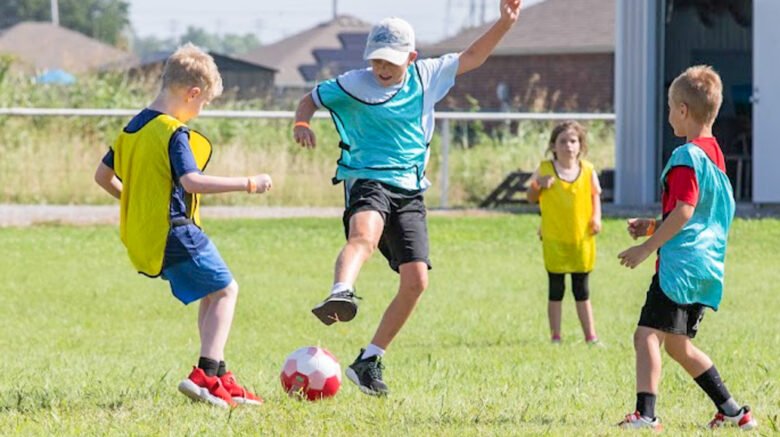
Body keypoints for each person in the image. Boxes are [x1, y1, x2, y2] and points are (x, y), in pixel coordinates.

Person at [292, 0, 523, 396]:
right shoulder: (353, 83)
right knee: (363, 235)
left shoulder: (427, 75)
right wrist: (301, 122)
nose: (382, 69)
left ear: (411, 57)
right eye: (377, 61)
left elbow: (474, 55)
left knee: (416, 281)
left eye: (391, 63)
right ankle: (341, 291)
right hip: (366, 178)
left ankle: (369, 359)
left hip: (410, 189)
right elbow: (310, 99)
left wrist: (504, 23)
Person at [94, 43, 272, 409]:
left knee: (213, 292)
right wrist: (248, 183)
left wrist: (138, 204)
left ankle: (220, 377)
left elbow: (103, 176)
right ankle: (205, 375)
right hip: (176, 231)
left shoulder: (132, 128)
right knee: (227, 291)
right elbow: (191, 182)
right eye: (203, 102)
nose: (201, 109)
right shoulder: (173, 132)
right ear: (193, 93)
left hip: (151, 235)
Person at [616, 65, 757, 431]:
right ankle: (732, 411)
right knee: (678, 346)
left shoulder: (686, 157)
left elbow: (684, 211)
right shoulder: (716, 157)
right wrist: (651, 224)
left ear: (682, 110)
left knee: (646, 334)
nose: (668, 116)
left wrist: (647, 247)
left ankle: (646, 415)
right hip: (705, 268)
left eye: (668, 108)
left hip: (679, 267)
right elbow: (699, 215)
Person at [526, 121, 601, 345]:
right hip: (554, 240)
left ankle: (591, 336)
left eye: (573, 141)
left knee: (582, 290)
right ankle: (556, 336)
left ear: (580, 145)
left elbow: (595, 196)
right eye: (563, 141)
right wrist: (537, 185)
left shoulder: (587, 170)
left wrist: (596, 217)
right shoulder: (545, 170)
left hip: (581, 240)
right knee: (556, 289)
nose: (568, 146)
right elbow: (530, 197)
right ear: (553, 146)